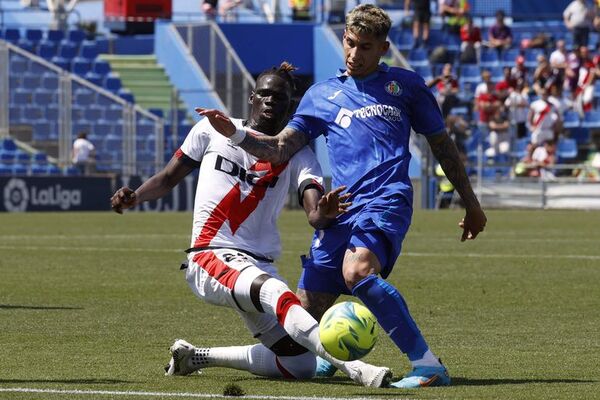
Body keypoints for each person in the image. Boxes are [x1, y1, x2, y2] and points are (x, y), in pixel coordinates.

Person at [197, 4, 487, 389]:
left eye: (365, 47)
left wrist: (471, 203)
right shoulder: (321, 95)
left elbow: (442, 145)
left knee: (358, 272)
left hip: (386, 199)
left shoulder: (406, 86)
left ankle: (428, 364)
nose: (354, 54)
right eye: (350, 44)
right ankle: (321, 359)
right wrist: (235, 134)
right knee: (302, 320)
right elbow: (280, 148)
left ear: (383, 48)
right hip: (341, 210)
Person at [110, 62, 392, 388]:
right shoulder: (212, 129)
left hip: (258, 265)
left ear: (291, 105)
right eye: (265, 94)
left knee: (298, 363)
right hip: (210, 255)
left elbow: (313, 214)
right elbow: (167, 178)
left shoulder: (299, 156)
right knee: (278, 294)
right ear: (252, 98)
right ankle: (357, 368)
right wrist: (135, 197)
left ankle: (195, 357)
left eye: (280, 97)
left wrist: (325, 212)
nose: (271, 101)